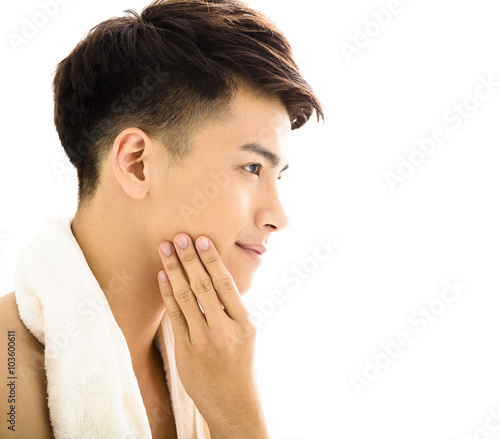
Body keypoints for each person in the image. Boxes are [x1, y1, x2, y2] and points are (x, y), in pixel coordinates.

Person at [0, 0, 323, 437]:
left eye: (278, 176)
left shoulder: (216, 364)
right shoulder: (9, 363)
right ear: (137, 164)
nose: (279, 217)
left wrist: (236, 411)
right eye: (252, 168)